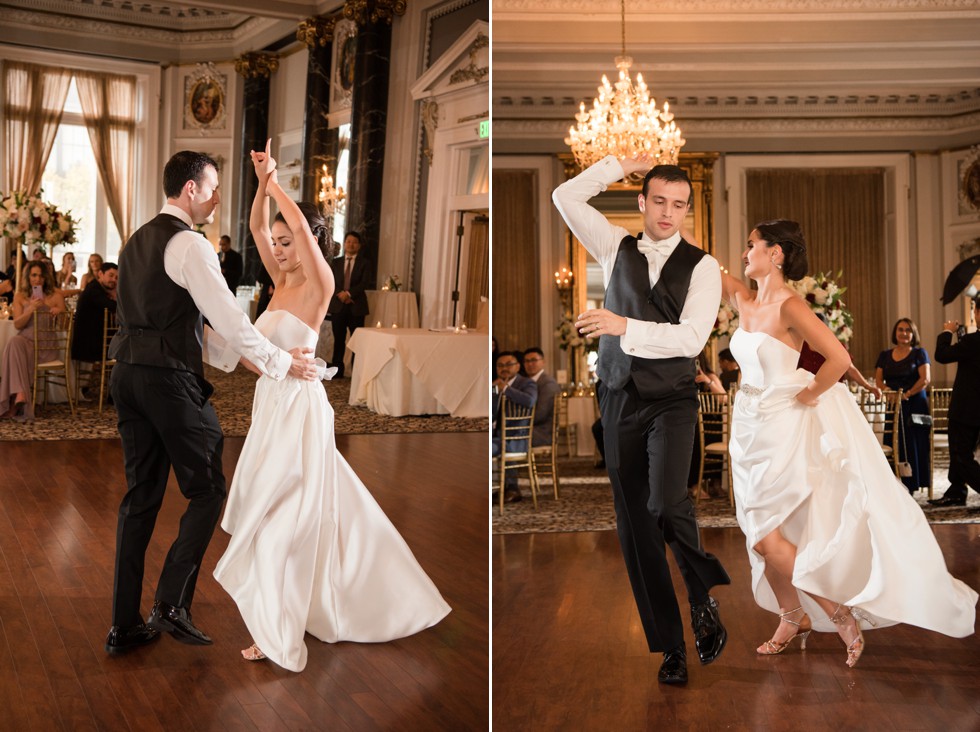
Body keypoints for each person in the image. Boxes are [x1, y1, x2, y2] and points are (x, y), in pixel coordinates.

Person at [213, 140, 449, 671]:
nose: (276, 248)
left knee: (285, 519)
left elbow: (296, 226)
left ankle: (278, 632)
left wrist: (275, 182)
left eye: (286, 241)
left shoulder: (320, 282)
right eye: (273, 242)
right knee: (300, 512)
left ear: (309, 243)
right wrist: (259, 185)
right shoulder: (277, 284)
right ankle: (319, 599)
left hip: (300, 409)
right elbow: (255, 229)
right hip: (269, 406)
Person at [715, 218, 976, 668]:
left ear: (775, 254)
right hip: (748, 428)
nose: (744, 253)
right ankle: (791, 614)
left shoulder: (792, 305)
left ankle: (839, 613)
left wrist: (809, 394)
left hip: (780, 426)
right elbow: (704, 268)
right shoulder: (744, 298)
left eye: (752, 245)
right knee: (758, 532)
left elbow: (836, 357)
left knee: (764, 537)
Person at [103, 149, 319, 657]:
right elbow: (230, 320)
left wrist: (245, 361)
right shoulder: (190, 244)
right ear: (192, 190)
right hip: (167, 382)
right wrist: (279, 362)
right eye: (214, 186)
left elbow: (190, 325)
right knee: (207, 491)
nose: (218, 196)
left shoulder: (136, 240)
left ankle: (124, 624)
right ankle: (171, 604)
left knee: (141, 498)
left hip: (127, 377)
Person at [553, 154, 730, 686]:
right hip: (619, 400)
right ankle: (671, 646)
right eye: (659, 201)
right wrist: (615, 164)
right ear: (641, 202)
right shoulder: (613, 246)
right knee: (635, 528)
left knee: (666, 502)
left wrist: (621, 323)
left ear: (687, 210)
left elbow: (690, 340)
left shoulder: (703, 267)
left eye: (679, 204)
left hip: (672, 400)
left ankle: (701, 597)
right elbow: (565, 197)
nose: (668, 213)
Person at [929, 297, 980, 507]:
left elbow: (942, 355)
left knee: (961, 455)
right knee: (959, 451)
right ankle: (956, 491)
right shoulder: (970, 342)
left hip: (967, 408)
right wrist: (960, 337)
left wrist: (948, 331)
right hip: (974, 408)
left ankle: (958, 490)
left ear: (976, 312)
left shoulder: (973, 341)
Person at [0, 261, 67, 422]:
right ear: (28, 277)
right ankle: (20, 394)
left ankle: (14, 401)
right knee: (14, 342)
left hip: (46, 346)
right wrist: (30, 309)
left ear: (46, 278)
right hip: (25, 341)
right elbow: (17, 324)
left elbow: (65, 326)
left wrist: (60, 313)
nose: (37, 279)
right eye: (34, 275)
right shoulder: (20, 296)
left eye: (41, 275)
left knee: (13, 347)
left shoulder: (56, 295)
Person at [875, 318, 931, 493]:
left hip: (915, 404)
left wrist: (907, 394)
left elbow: (925, 379)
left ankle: (913, 484)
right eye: (900, 329)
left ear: (913, 334)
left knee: (913, 443)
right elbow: (878, 380)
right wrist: (889, 392)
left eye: (908, 330)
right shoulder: (884, 355)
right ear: (895, 333)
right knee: (894, 442)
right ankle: (894, 485)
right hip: (894, 404)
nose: (904, 333)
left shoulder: (919, 353)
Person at [492, 350, 537, 504]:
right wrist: (492, 392)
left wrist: (506, 389)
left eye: (508, 364)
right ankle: (495, 488)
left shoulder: (526, 383)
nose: (504, 368)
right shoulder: (495, 384)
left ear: (517, 366)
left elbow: (530, 401)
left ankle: (512, 488)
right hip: (496, 434)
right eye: (500, 365)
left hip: (517, 436)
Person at [327, 231, 374, 378]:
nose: (351, 244)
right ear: (345, 243)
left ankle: (357, 372)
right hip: (338, 306)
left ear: (358, 245)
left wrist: (348, 294)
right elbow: (330, 280)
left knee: (357, 341)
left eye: (354, 242)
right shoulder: (336, 262)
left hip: (356, 307)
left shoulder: (365, 263)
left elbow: (365, 283)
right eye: (348, 241)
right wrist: (341, 293)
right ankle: (337, 370)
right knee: (339, 340)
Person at [71, 261, 118, 365]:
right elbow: (114, 307)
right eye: (111, 275)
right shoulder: (93, 290)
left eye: (116, 277)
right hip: (88, 346)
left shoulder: (98, 289)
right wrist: (115, 295)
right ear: (100, 274)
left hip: (94, 343)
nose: (114, 280)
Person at [522, 346, 561, 447]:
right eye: (526, 361)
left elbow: (540, 414)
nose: (530, 364)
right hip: (530, 428)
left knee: (507, 434)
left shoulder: (548, 383)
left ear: (543, 362)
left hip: (542, 432)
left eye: (534, 360)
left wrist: (517, 422)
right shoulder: (526, 381)